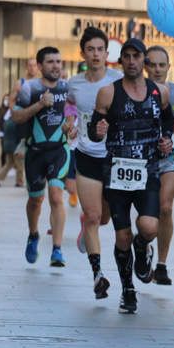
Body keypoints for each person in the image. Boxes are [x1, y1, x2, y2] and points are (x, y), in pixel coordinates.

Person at [88, 38, 174, 314]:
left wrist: (167, 140)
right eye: (127, 56)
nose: (132, 61)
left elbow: (168, 122)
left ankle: (142, 249)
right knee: (122, 235)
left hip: (147, 170)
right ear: (121, 60)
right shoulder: (108, 93)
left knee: (149, 227)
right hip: (117, 174)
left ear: (144, 61)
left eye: (137, 56)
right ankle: (128, 289)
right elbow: (94, 128)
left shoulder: (159, 92)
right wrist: (97, 132)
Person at [68, 27, 123, 300]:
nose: (96, 54)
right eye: (91, 49)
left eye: (100, 49)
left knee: (104, 217)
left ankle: (86, 230)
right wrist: (70, 125)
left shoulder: (118, 80)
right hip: (86, 154)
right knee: (92, 216)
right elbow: (68, 106)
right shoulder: (74, 84)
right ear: (83, 53)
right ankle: (98, 275)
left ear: (107, 52)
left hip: (113, 157)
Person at [12, 46, 72, 268]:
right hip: (35, 153)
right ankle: (33, 234)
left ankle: (57, 250)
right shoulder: (30, 88)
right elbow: (16, 117)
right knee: (35, 200)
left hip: (59, 150)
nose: (56, 66)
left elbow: (74, 116)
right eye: (50, 62)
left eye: (58, 61)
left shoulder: (68, 89)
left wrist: (70, 127)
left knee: (56, 196)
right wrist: (39, 104)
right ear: (39, 66)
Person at [144, 45, 174, 286]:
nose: (157, 69)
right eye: (152, 64)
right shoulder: (136, 90)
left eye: (162, 65)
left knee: (166, 208)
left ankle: (161, 264)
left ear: (169, 67)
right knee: (146, 213)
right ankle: (144, 247)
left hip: (169, 158)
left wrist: (173, 140)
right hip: (141, 159)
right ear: (145, 66)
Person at [0, 93, 25, 187]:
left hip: (7, 145)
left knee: (9, 164)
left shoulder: (7, 121)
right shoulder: (16, 122)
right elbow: (19, 134)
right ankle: (19, 182)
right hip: (15, 146)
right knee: (19, 165)